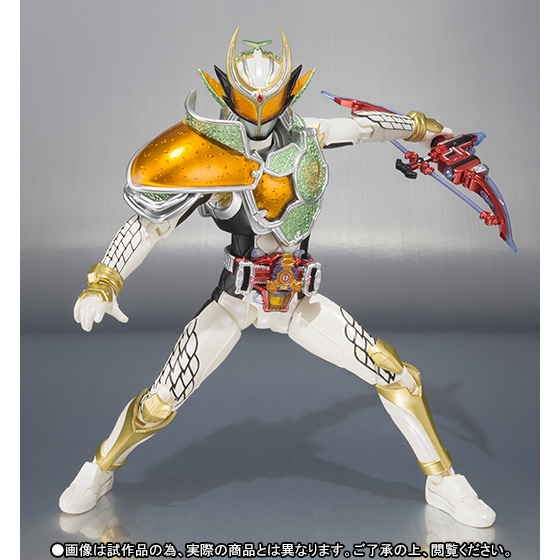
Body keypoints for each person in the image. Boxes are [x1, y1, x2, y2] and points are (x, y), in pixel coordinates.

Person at [59, 28, 496, 528]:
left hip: (298, 299)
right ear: (229, 95)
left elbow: (365, 128)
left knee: (394, 374)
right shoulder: (208, 153)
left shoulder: (308, 135)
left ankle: (444, 481)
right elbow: (148, 225)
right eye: (249, 105)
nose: (260, 119)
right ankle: (98, 469)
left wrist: (422, 129)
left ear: (288, 93)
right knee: (161, 400)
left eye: (270, 104)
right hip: (236, 300)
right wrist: (105, 281)